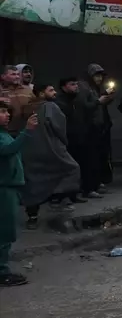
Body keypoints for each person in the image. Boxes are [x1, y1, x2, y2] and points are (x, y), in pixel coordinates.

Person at [21, 84, 80, 227]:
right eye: (51, 90)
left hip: (30, 151)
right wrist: (64, 142)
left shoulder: (26, 108)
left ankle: (32, 217)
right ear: (41, 93)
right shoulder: (50, 107)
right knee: (72, 168)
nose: (54, 93)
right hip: (50, 149)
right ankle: (58, 198)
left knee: (33, 183)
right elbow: (58, 127)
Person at [0, 104, 38, 286]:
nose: (7, 115)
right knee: (5, 232)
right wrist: (27, 131)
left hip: (9, 187)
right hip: (3, 189)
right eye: (2, 112)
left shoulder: (3, 133)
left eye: (7, 111)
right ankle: (2, 272)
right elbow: (8, 150)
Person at [78, 63, 115, 194]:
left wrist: (106, 98)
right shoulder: (84, 87)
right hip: (89, 129)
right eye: (97, 76)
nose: (99, 79)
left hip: (100, 128)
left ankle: (97, 183)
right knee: (90, 159)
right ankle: (89, 187)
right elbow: (85, 107)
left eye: (101, 76)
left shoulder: (95, 88)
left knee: (100, 157)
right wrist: (100, 101)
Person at [55, 78, 92, 198]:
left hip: (81, 137)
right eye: (72, 84)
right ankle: (69, 195)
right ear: (63, 87)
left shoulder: (77, 99)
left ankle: (80, 191)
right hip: (67, 139)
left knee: (82, 165)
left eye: (76, 84)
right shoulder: (60, 102)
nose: (76, 86)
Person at [0, 65, 34, 137]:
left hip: (26, 131)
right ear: (3, 76)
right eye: (13, 74)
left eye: (18, 74)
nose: (17, 77)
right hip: (4, 133)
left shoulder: (27, 90)